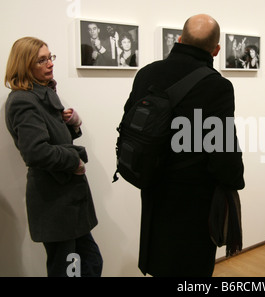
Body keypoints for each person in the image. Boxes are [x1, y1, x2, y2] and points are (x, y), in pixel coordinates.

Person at [124, 14, 245, 277]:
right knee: (191, 270)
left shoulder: (147, 73)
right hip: (194, 199)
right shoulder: (216, 86)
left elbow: (128, 122)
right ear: (216, 50)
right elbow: (223, 148)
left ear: (179, 40)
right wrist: (234, 181)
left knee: (161, 262)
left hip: (153, 185)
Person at [4, 37, 102, 276]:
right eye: (42, 60)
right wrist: (75, 160)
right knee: (70, 269)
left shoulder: (44, 92)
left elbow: (54, 138)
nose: (50, 64)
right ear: (25, 65)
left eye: (50, 57)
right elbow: (36, 152)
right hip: (54, 200)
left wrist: (72, 125)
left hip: (67, 197)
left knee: (89, 262)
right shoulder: (23, 101)